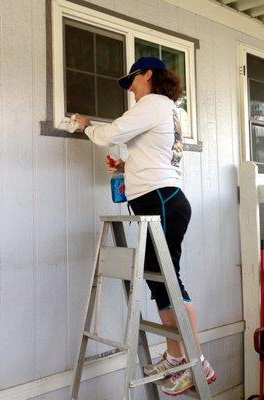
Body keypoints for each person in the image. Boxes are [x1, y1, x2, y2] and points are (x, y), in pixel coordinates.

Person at [75, 57, 216, 396]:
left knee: (169, 280)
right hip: (161, 200)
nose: (131, 90)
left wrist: (84, 125)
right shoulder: (167, 110)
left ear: (148, 75)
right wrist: (127, 163)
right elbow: (157, 153)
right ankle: (174, 356)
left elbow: (111, 133)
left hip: (163, 201)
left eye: (132, 82)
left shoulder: (153, 103)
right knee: (159, 278)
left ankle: (197, 363)